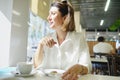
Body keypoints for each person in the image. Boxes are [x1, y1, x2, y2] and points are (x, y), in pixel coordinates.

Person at [33, 0, 91, 80]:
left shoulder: (78, 38)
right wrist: (40, 45)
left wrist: (80, 68)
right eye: (49, 14)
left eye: (53, 14)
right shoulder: (47, 38)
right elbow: (37, 66)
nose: (48, 18)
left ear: (64, 18)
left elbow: (87, 66)